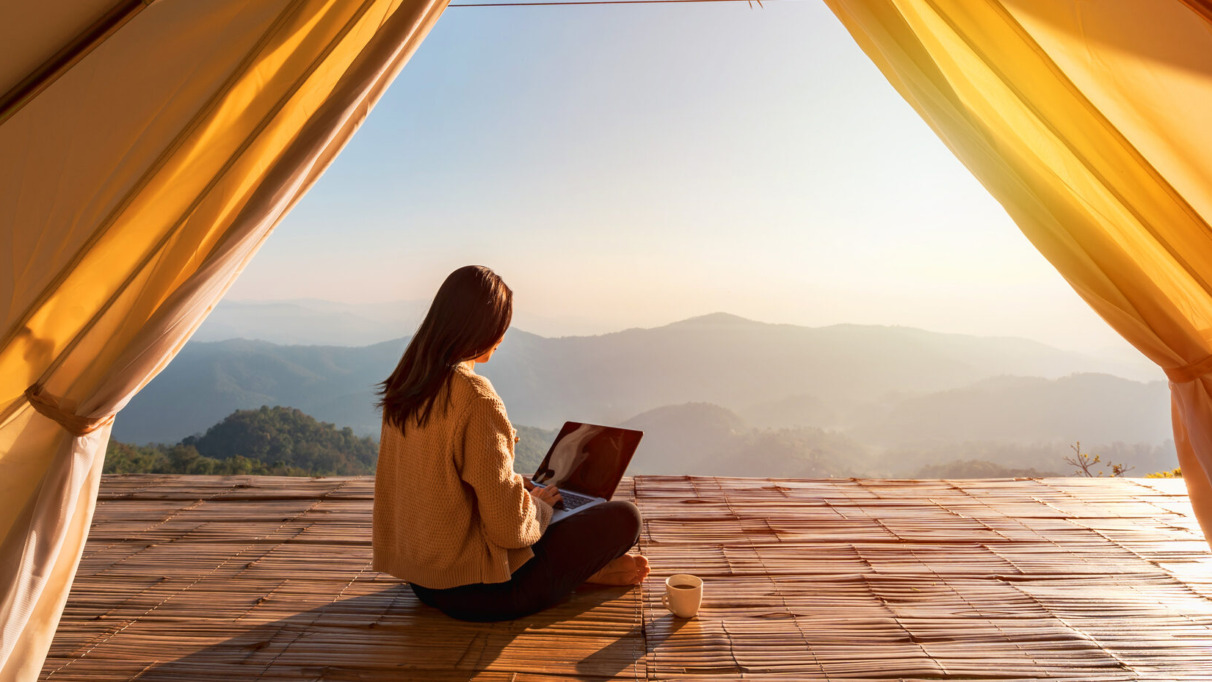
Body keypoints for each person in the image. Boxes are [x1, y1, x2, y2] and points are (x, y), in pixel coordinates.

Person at [372, 265, 650, 622]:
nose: (503, 335)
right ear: (484, 327)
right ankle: (583, 574)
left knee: (544, 502)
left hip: (423, 581)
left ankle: (576, 571)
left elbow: (442, 481)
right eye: (503, 323)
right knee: (625, 518)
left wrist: (518, 487)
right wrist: (537, 507)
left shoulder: (407, 385)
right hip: (483, 591)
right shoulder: (475, 397)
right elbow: (510, 531)